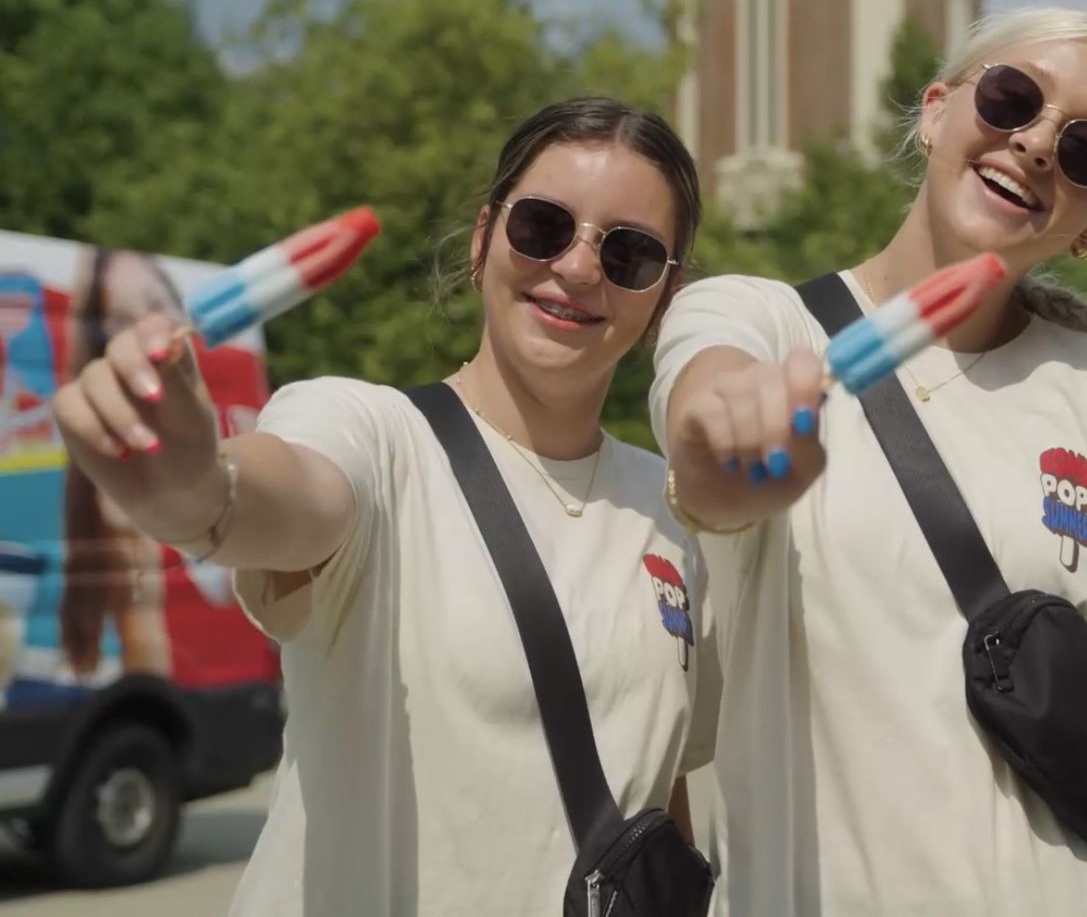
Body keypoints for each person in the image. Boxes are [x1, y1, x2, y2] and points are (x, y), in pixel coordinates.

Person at [51, 97, 713, 915]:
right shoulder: (371, 431)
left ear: (664, 295)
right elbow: (284, 496)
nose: (578, 269)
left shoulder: (674, 511)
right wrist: (193, 487)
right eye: (543, 227)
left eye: (630, 253)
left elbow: (657, 793)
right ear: (482, 241)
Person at [651, 7, 1087, 916]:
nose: (1034, 144)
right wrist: (728, 442)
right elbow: (706, 436)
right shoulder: (759, 324)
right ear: (937, 110)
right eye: (1011, 97)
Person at [60, 248, 185, 680]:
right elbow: (149, 667)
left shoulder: (241, 427)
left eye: (154, 304)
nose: (146, 331)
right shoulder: (120, 482)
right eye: (122, 321)